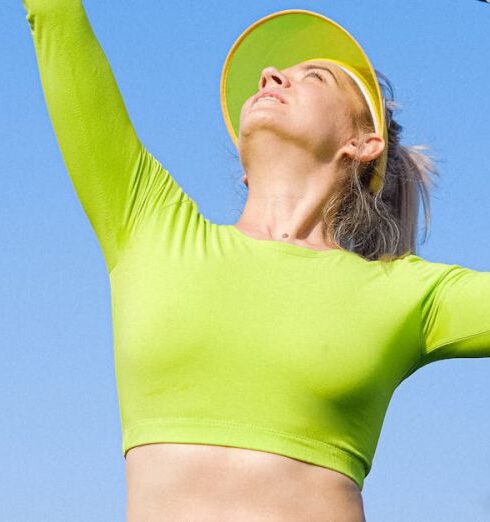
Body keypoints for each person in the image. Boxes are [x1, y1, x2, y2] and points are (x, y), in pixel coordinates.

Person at [21, 2, 490, 521]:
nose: (269, 75)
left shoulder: (407, 293)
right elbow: (56, 16)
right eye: (272, 74)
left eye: (311, 76)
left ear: (363, 143)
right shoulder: (150, 228)